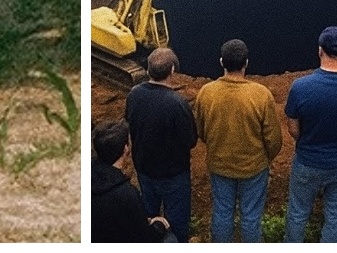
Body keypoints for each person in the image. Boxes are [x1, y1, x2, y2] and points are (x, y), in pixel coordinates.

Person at [283, 25, 337, 241]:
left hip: (307, 161)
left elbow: (293, 128)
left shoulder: (300, 87)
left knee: (297, 213)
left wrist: (307, 139)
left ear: (320, 50)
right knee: (336, 216)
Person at [193, 37, 283, 242]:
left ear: (222, 62)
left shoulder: (206, 92)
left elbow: (200, 130)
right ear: (246, 63)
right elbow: (273, 139)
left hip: (220, 165)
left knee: (222, 213)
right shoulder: (261, 95)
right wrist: (265, 158)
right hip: (254, 168)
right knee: (251, 217)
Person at [124, 46, 198, 242]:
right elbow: (191, 140)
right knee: (177, 224)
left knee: (148, 218)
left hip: (144, 170)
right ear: (173, 70)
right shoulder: (177, 104)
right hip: (174, 175)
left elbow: (130, 122)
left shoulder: (133, 95)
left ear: (148, 70)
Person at [90, 120, 175, 242]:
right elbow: (143, 238)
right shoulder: (127, 194)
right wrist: (159, 225)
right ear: (126, 149)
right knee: (171, 238)